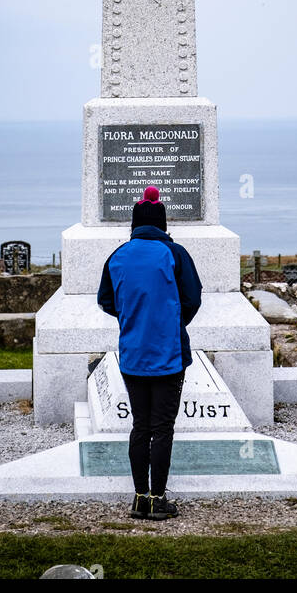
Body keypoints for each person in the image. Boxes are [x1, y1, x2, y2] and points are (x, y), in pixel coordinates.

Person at [96, 185, 202, 520]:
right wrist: (171, 321)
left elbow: (106, 300)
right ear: (163, 224)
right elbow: (193, 298)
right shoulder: (175, 254)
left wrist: (132, 317)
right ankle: (158, 499)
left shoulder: (118, 256)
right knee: (163, 428)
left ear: (133, 224)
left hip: (132, 353)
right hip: (168, 353)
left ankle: (140, 498)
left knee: (140, 427)